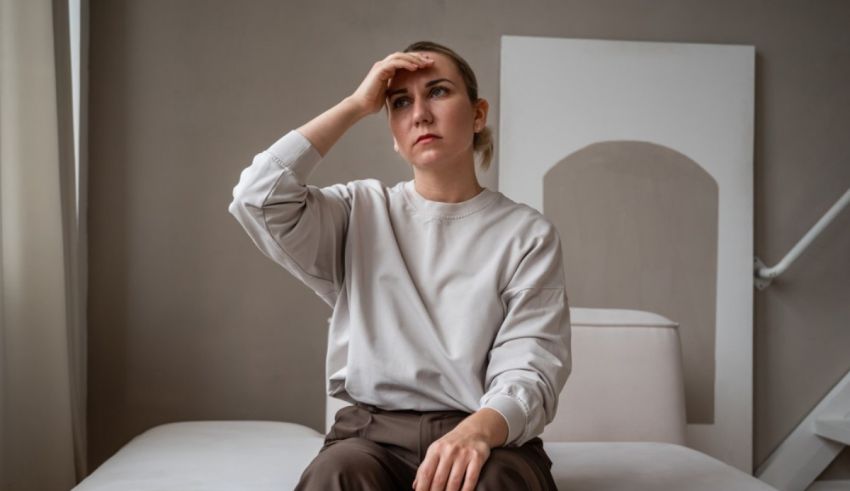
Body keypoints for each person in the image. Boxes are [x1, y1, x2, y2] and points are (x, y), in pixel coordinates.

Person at [229, 41, 570, 491]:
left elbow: (532, 364)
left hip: (485, 432)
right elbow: (258, 196)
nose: (421, 114)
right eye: (401, 102)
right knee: (338, 473)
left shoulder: (527, 233)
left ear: (479, 114)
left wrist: (479, 431)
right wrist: (355, 105)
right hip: (371, 436)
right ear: (392, 131)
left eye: (439, 92)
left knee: (495, 481)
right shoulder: (358, 212)